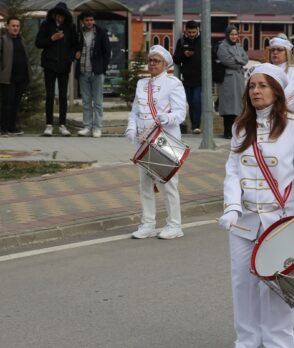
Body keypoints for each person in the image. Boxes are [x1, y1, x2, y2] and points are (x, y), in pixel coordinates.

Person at [218, 63, 294, 348]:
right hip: (244, 222)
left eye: (262, 85)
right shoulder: (241, 126)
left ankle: (278, 343)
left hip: (280, 222)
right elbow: (233, 170)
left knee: (276, 287)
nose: (256, 91)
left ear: (277, 91)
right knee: (243, 285)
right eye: (252, 86)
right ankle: (247, 341)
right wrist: (231, 207)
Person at [125, 45, 186, 240]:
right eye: (150, 60)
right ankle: (148, 223)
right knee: (145, 184)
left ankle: (175, 225)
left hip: (164, 139)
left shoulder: (173, 83)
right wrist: (131, 127)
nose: (152, 64)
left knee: (168, 184)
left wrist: (166, 118)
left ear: (165, 64)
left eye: (156, 61)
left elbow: (181, 113)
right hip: (143, 139)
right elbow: (135, 111)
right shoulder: (141, 84)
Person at [35, 1, 81, 136]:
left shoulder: (70, 27)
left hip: (64, 66)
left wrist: (71, 57)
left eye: (62, 16)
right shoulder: (46, 25)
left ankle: (62, 125)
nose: (59, 18)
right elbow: (38, 43)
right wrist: (52, 38)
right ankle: (49, 125)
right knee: (49, 96)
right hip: (49, 65)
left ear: (66, 16)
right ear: (53, 15)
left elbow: (76, 45)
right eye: (57, 15)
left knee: (62, 96)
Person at [0, 16, 32, 138]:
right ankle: (3, 129)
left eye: (17, 26)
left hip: (21, 78)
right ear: (7, 26)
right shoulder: (1, 41)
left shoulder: (21, 40)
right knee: (7, 103)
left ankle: (12, 128)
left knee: (16, 103)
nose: (15, 28)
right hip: (7, 78)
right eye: (13, 26)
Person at [75, 12, 111, 138]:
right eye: (87, 20)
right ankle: (87, 127)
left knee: (98, 102)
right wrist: (75, 54)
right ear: (82, 21)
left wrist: (103, 68)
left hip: (97, 72)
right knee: (85, 101)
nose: (89, 22)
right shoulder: (79, 33)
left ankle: (97, 127)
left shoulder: (101, 32)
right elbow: (74, 48)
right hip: (83, 71)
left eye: (91, 19)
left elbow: (107, 52)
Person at [217, 25, 249, 139]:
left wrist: (237, 60)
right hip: (228, 80)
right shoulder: (222, 47)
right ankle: (227, 132)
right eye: (232, 34)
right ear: (227, 35)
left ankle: (236, 131)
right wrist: (239, 61)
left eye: (236, 34)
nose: (234, 36)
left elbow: (246, 59)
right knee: (229, 107)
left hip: (239, 79)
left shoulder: (239, 46)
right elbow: (227, 62)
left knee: (238, 106)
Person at [173, 20, 202, 134]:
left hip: (200, 78)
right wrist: (184, 55)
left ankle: (196, 126)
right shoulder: (181, 41)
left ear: (197, 31)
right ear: (186, 31)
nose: (191, 34)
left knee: (196, 102)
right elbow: (176, 58)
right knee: (187, 103)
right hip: (186, 78)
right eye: (189, 32)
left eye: (194, 32)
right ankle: (185, 125)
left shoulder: (202, 41)